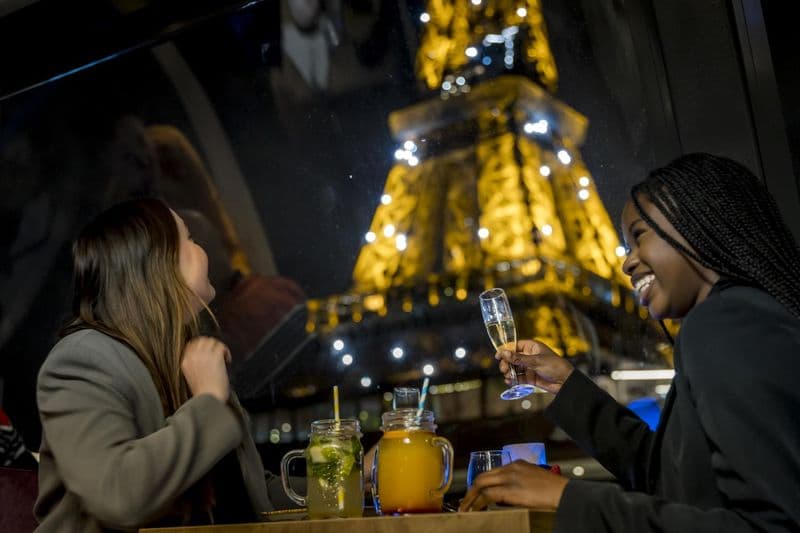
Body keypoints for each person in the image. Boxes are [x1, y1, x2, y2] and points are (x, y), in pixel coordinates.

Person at [459, 153, 800, 531]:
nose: (626, 263)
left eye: (639, 236)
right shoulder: (738, 320)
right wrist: (567, 385)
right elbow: (667, 480)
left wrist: (566, 498)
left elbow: (775, 526)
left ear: (699, 223)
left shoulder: (724, 323)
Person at [34, 198, 274, 531]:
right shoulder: (82, 360)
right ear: (158, 265)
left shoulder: (189, 359)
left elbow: (252, 493)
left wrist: (347, 477)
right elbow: (118, 495)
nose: (201, 249)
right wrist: (207, 401)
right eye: (189, 239)